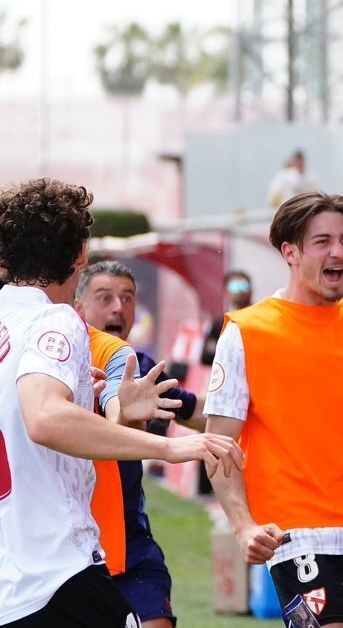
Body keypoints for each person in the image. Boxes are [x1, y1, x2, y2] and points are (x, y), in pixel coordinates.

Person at [0, 177, 243, 627]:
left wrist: (91, 402)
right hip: (54, 577)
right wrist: (169, 447)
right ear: (79, 257)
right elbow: (46, 417)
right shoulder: (55, 319)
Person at [205, 192, 343, 628]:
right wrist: (243, 527)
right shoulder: (246, 332)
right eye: (323, 241)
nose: (339, 252)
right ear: (289, 252)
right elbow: (219, 444)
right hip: (300, 536)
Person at [75, 260, 209, 628]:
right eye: (105, 298)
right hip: (70, 540)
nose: (119, 307)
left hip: (130, 541)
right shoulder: (56, 360)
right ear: (78, 307)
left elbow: (197, 412)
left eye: (128, 298)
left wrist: (263, 417)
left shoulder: (141, 367)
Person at [201, 271, 253, 366]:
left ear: (251, 290)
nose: (240, 291)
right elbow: (206, 356)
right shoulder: (219, 324)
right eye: (234, 287)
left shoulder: (260, 320)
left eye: (244, 285)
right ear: (225, 291)